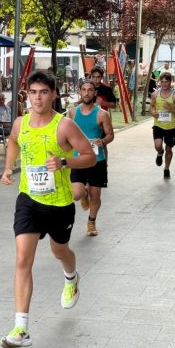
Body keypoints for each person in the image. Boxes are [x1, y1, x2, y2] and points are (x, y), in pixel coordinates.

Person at [0, 70, 96, 348]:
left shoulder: (64, 126)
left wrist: (65, 164)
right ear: (26, 95)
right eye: (33, 92)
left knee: (59, 251)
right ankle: (21, 328)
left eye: (43, 92)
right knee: (22, 260)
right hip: (29, 200)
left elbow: (89, 156)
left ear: (54, 94)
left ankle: (71, 277)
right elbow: (14, 142)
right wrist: (8, 168)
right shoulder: (20, 123)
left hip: (59, 203)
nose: (37, 97)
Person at [69, 80, 114, 236]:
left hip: (97, 160)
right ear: (80, 92)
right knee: (76, 194)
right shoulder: (73, 113)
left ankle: (91, 222)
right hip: (78, 159)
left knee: (96, 196)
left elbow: (110, 135)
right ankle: (84, 193)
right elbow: (68, 134)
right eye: (84, 90)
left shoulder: (102, 114)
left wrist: (101, 141)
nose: (87, 93)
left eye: (90, 90)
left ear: (95, 93)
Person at [150, 72, 175, 178]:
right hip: (158, 125)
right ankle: (160, 153)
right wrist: (153, 112)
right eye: (162, 81)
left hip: (171, 126)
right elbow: (152, 107)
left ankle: (166, 168)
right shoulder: (155, 94)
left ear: (171, 82)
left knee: (169, 149)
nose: (164, 84)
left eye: (166, 81)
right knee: (158, 145)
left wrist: (170, 108)